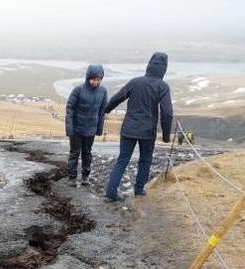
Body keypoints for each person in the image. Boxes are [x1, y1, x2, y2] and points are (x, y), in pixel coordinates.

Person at [104, 52, 173, 200]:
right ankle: (139, 190)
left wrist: (106, 110)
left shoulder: (135, 82)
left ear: (149, 66)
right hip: (148, 131)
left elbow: (116, 98)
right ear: (164, 69)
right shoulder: (162, 86)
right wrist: (166, 136)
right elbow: (167, 113)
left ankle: (111, 191)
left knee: (123, 159)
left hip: (128, 128)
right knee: (145, 160)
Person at [65, 64, 108, 187]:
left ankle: (85, 177)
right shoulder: (78, 90)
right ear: (88, 78)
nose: (96, 82)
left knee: (87, 153)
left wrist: (99, 129)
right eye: (94, 79)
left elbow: (101, 112)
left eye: (99, 80)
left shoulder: (103, 92)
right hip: (76, 129)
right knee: (74, 153)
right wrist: (69, 128)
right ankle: (72, 178)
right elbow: (70, 109)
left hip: (91, 130)